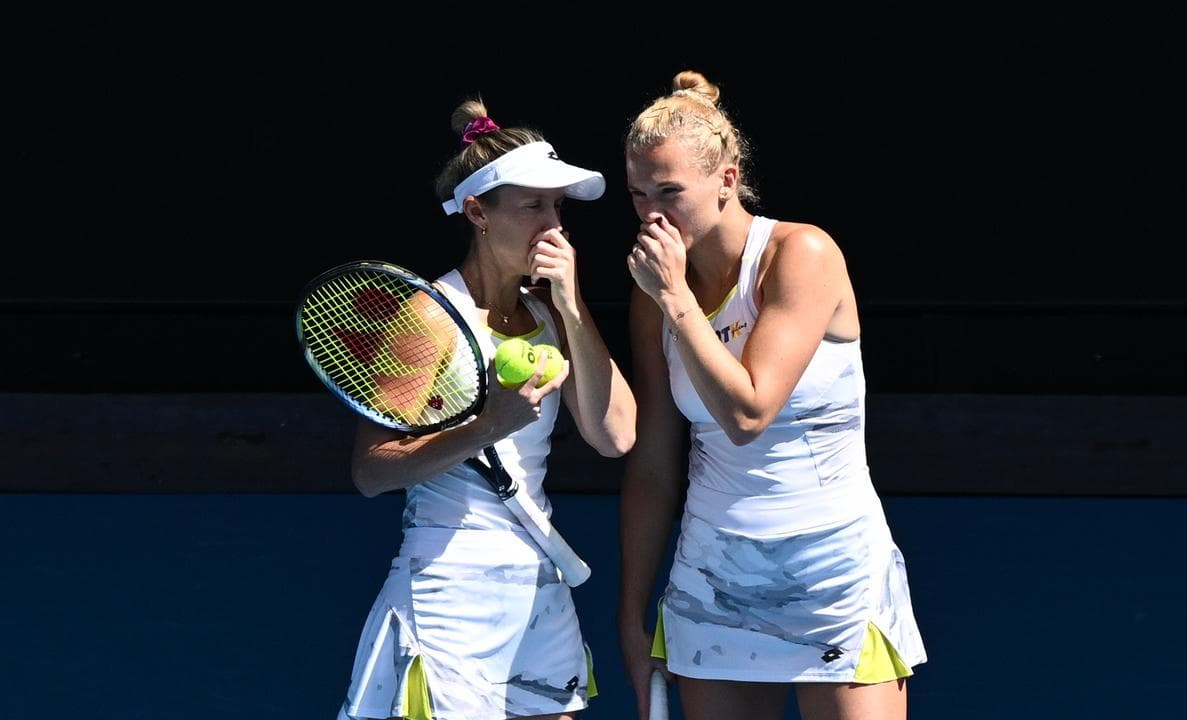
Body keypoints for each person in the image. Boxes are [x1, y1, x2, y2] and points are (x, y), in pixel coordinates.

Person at [616, 70, 927, 720]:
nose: (652, 215)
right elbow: (652, 463)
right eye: (639, 194)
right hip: (713, 579)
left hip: (833, 571)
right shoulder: (654, 299)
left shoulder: (801, 254)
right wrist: (631, 610)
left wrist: (675, 299)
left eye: (670, 192)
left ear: (727, 180)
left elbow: (749, 412)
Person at [335, 98, 637, 720]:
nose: (553, 224)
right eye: (532, 206)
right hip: (448, 594)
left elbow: (617, 437)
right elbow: (372, 472)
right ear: (477, 212)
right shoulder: (427, 317)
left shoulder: (553, 316)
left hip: (538, 593)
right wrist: (489, 426)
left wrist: (573, 305)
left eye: (558, 206)